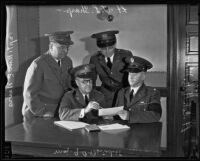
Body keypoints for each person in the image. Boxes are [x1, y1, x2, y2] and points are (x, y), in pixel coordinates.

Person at [22, 31, 74, 119]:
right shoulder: (38, 64)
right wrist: (42, 112)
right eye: (61, 47)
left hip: (58, 109)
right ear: (51, 47)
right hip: (38, 110)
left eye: (67, 48)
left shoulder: (67, 61)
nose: (65, 51)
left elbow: (68, 84)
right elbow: (29, 94)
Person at [89, 30, 133, 107]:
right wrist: (93, 98)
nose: (107, 51)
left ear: (115, 45)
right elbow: (91, 80)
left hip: (124, 94)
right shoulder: (94, 59)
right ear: (99, 48)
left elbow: (133, 76)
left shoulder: (126, 55)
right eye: (103, 49)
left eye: (110, 48)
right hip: (105, 95)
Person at [115, 56, 162, 123]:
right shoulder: (121, 92)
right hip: (123, 131)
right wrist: (109, 115)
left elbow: (155, 115)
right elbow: (116, 113)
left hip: (142, 131)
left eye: (135, 74)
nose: (131, 77)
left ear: (143, 76)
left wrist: (129, 116)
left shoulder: (152, 93)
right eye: (129, 74)